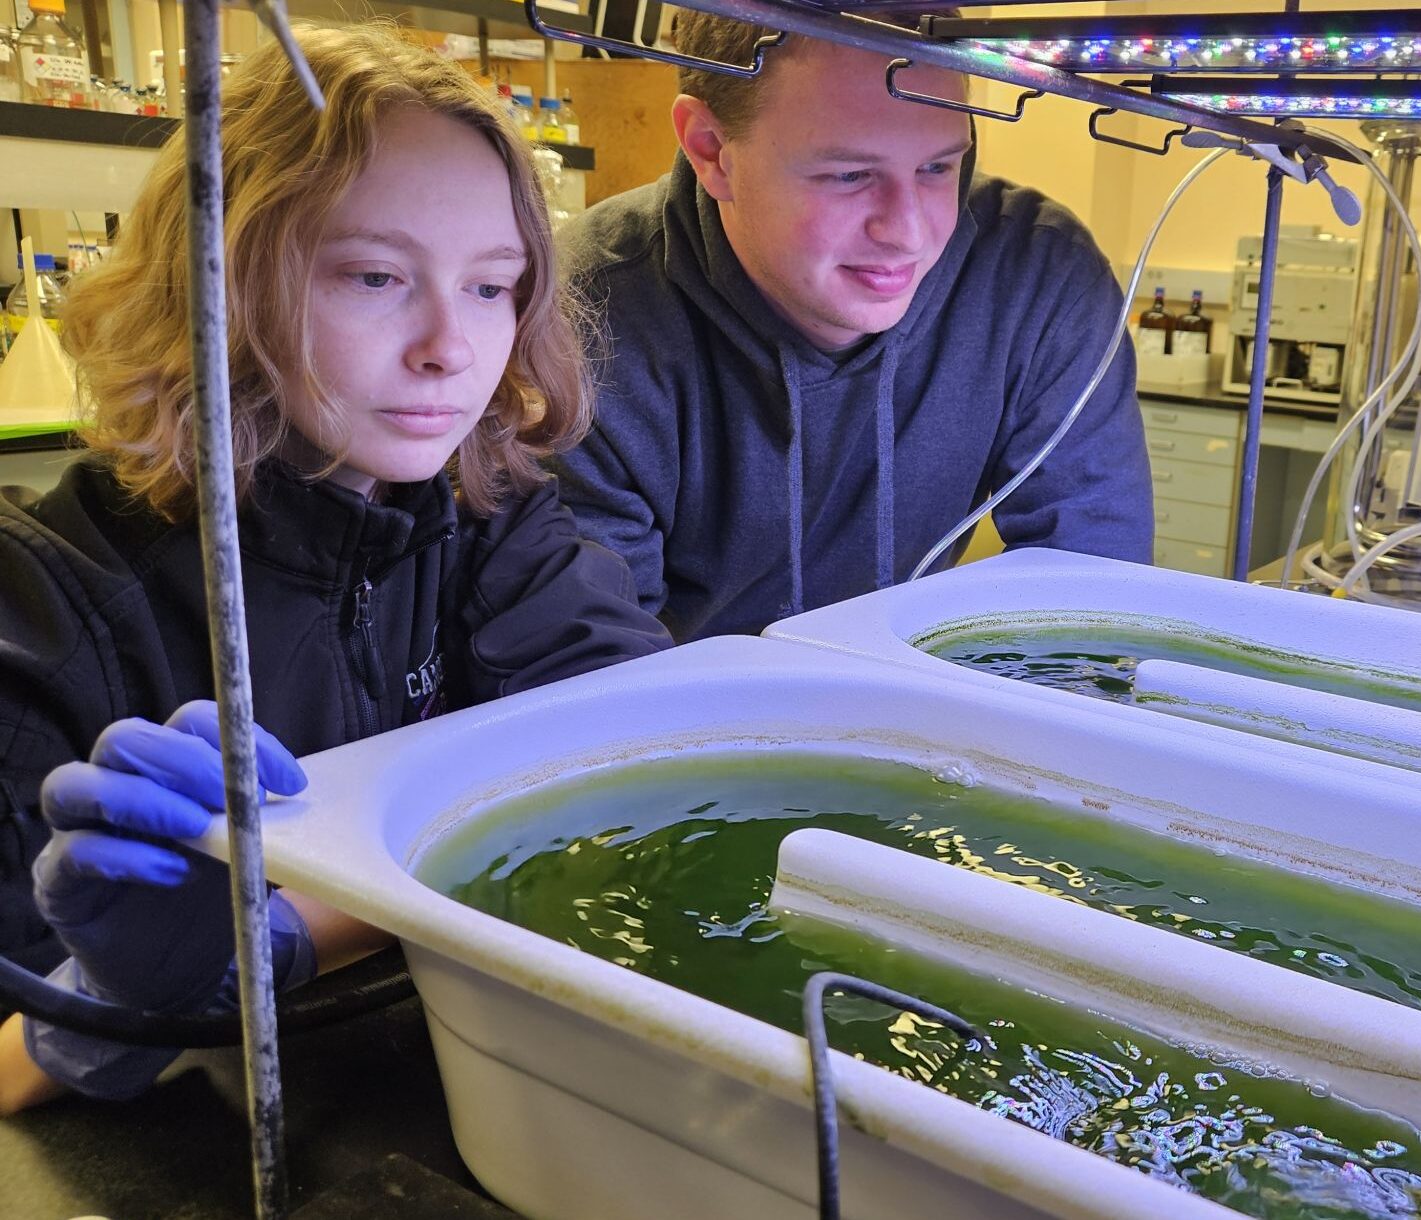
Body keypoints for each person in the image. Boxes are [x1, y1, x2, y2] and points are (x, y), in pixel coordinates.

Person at [0, 24, 670, 1113]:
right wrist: (102, 1010)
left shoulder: (487, 518)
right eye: (374, 275)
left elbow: (639, 756)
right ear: (215, 280)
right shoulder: (48, 598)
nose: (451, 347)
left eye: (493, 286)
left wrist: (284, 935)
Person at [553, 9, 1152, 641]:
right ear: (711, 150)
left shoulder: (1038, 276)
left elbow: (1089, 598)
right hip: (686, 718)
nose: (909, 235)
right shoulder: (588, 309)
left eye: (938, 168)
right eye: (848, 175)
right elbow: (595, 667)